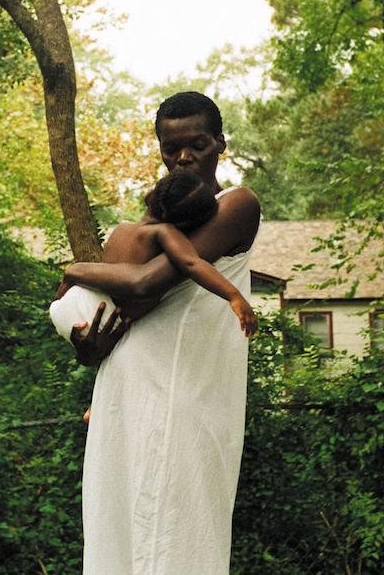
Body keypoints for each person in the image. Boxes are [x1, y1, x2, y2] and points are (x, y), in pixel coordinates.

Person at [57, 91, 261, 575]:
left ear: (221, 144)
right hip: (125, 393)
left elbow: (147, 284)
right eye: (171, 149)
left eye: (198, 144)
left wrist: (73, 267)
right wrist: (87, 349)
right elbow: (121, 311)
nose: (184, 157)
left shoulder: (236, 205)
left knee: (176, 535)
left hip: (185, 395)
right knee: (118, 533)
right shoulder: (158, 217)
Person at [49, 168, 257, 347]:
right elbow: (191, 262)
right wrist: (233, 295)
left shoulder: (121, 229)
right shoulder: (163, 231)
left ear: (149, 196)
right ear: (186, 228)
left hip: (70, 303)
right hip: (96, 319)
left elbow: (108, 271)